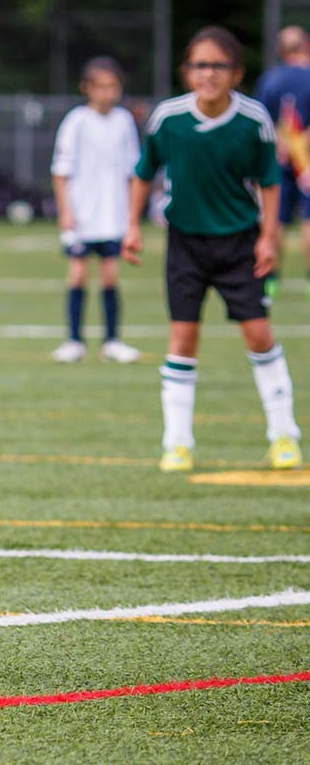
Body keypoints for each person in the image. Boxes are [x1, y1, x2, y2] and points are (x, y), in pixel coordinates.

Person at [126, 26, 300, 473]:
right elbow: (144, 172)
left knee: (258, 334)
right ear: (187, 72)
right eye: (199, 65)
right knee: (183, 338)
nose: (208, 74)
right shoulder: (169, 119)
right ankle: (177, 443)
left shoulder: (253, 120)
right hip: (185, 243)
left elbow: (270, 182)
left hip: (240, 242)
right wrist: (132, 225)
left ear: (236, 73)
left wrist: (268, 236)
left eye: (218, 65)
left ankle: (284, 437)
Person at [49, 56, 143, 364]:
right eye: (100, 87)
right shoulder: (76, 120)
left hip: (112, 214)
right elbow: (61, 171)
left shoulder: (124, 121)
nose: (107, 93)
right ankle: (74, 340)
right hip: (81, 214)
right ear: (86, 88)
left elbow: (133, 172)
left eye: (112, 86)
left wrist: (131, 216)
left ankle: (112, 341)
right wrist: (66, 211)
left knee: (110, 276)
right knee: (77, 274)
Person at [253, 25, 310, 299]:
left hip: (278, 158)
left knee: (276, 219)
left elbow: (261, 120)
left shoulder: (270, 79)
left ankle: (271, 279)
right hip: (307, 162)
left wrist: (282, 143)